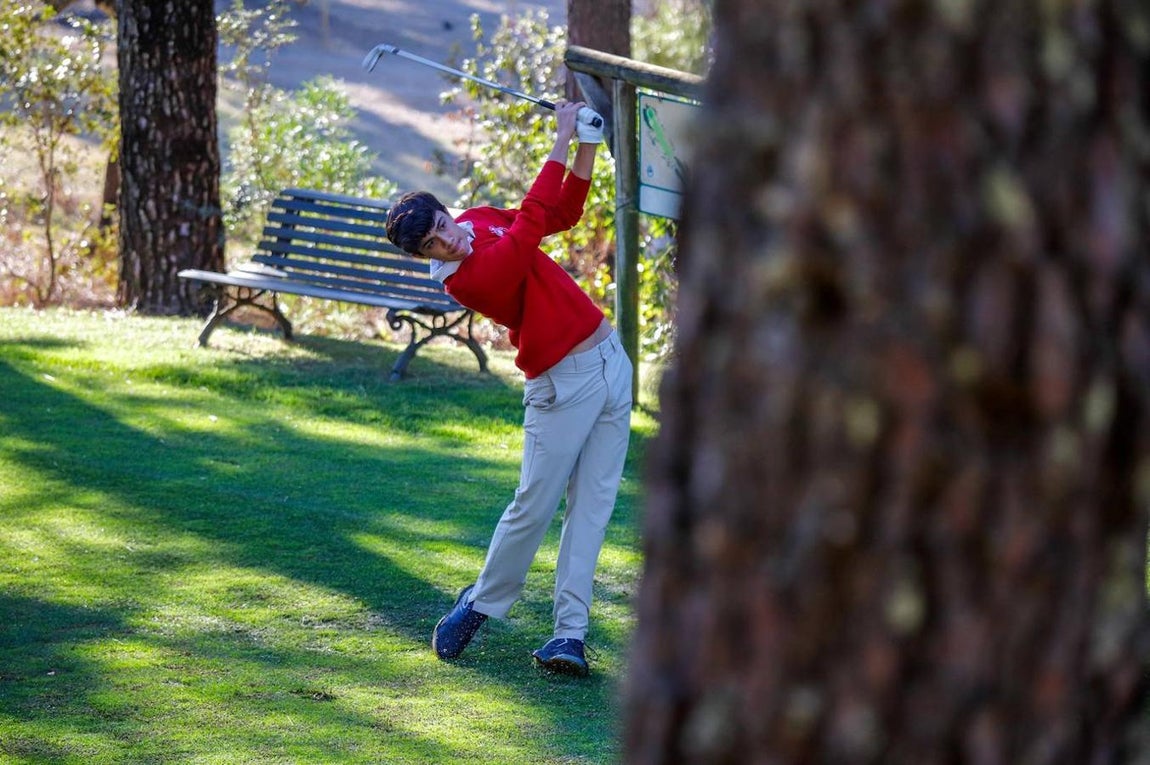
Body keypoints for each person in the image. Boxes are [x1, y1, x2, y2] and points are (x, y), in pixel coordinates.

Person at [385, 100, 632, 677]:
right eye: (434, 246)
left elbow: (559, 213)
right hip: (561, 383)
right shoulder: (469, 279)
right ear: (425, 258)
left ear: (447, 211)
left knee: (591, 510)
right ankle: (480, 604)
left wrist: (588, 144)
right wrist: (559, 139)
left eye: (444, 226)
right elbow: (526, 231)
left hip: (609, 359)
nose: (449, 241)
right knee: (534, 506)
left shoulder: (473, 222)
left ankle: (569, 636)